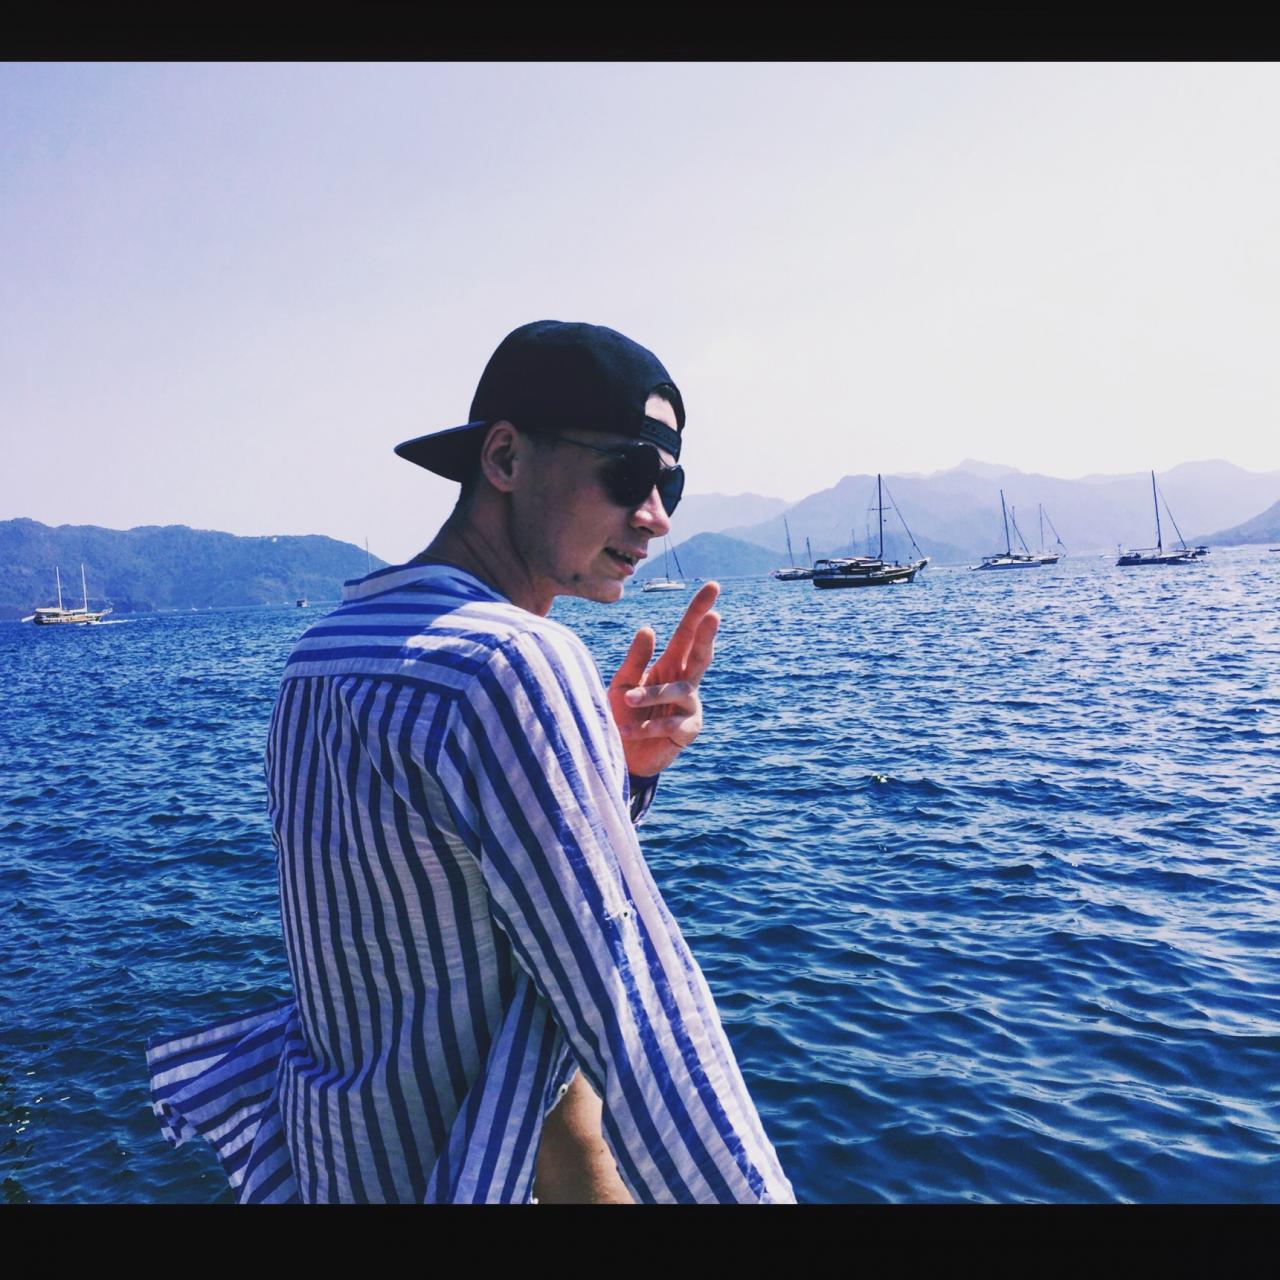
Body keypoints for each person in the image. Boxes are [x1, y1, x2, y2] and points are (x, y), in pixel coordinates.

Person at [146, 320, 794, 1204]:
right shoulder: (512, 660)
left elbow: (445, 903)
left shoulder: (319, 656)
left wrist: (622, 774)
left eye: (668, 482)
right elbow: (633, 1006)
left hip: (341, 1164)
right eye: (629, 473)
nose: (656, 515)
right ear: (505, 458)